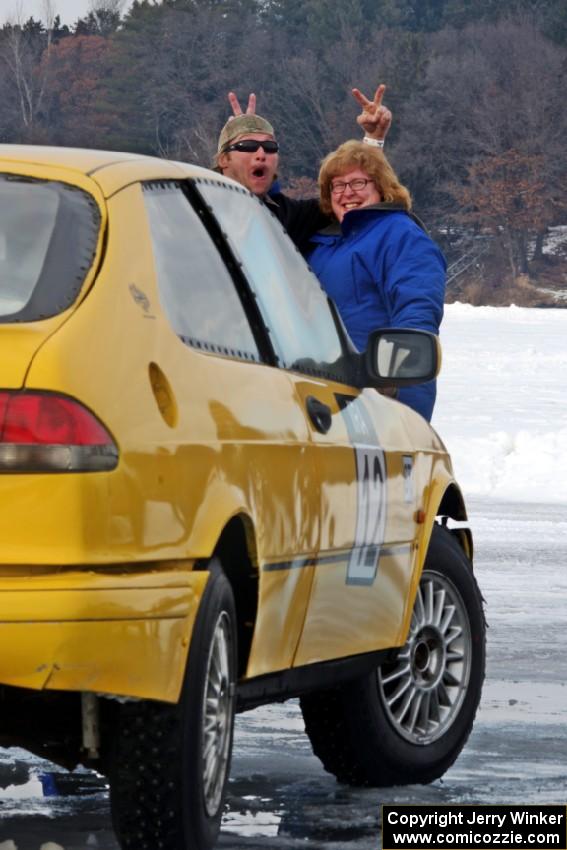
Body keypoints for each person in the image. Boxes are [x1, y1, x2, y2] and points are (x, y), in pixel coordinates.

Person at [307, 140, 446, 421]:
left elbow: (416, 311)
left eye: (358, 183)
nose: (347, 193)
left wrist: (397, 392)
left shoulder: (399, 235)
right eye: (338, 185)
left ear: (381, 187)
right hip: (317, 396)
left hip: (375, 398)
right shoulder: (322, 244)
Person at [214, 86, 392, 254]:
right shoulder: (200, 209)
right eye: (248, 145)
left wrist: (374, 139)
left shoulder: (289, 218)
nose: (261, 153)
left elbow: (353, 197)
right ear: (223, 160)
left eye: (269, 146)